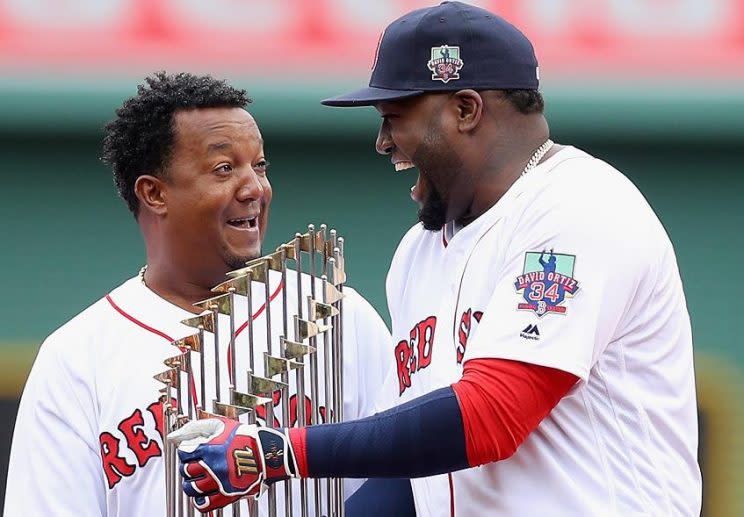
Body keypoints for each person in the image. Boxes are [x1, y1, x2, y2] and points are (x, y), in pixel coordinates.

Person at [170, 2, 702, 516]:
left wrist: (281, 451)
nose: (383, 142)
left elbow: (491, 416)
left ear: (465, 110)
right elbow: (411, 477)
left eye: (394, 116)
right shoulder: (418, 253)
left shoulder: (579, 206)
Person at [4, 72, 395, 516]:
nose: (255, 189)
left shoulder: (336, 315)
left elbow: (406, 483)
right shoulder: (77, 357)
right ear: (155, 193)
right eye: (224, 169)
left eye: (260, 165)